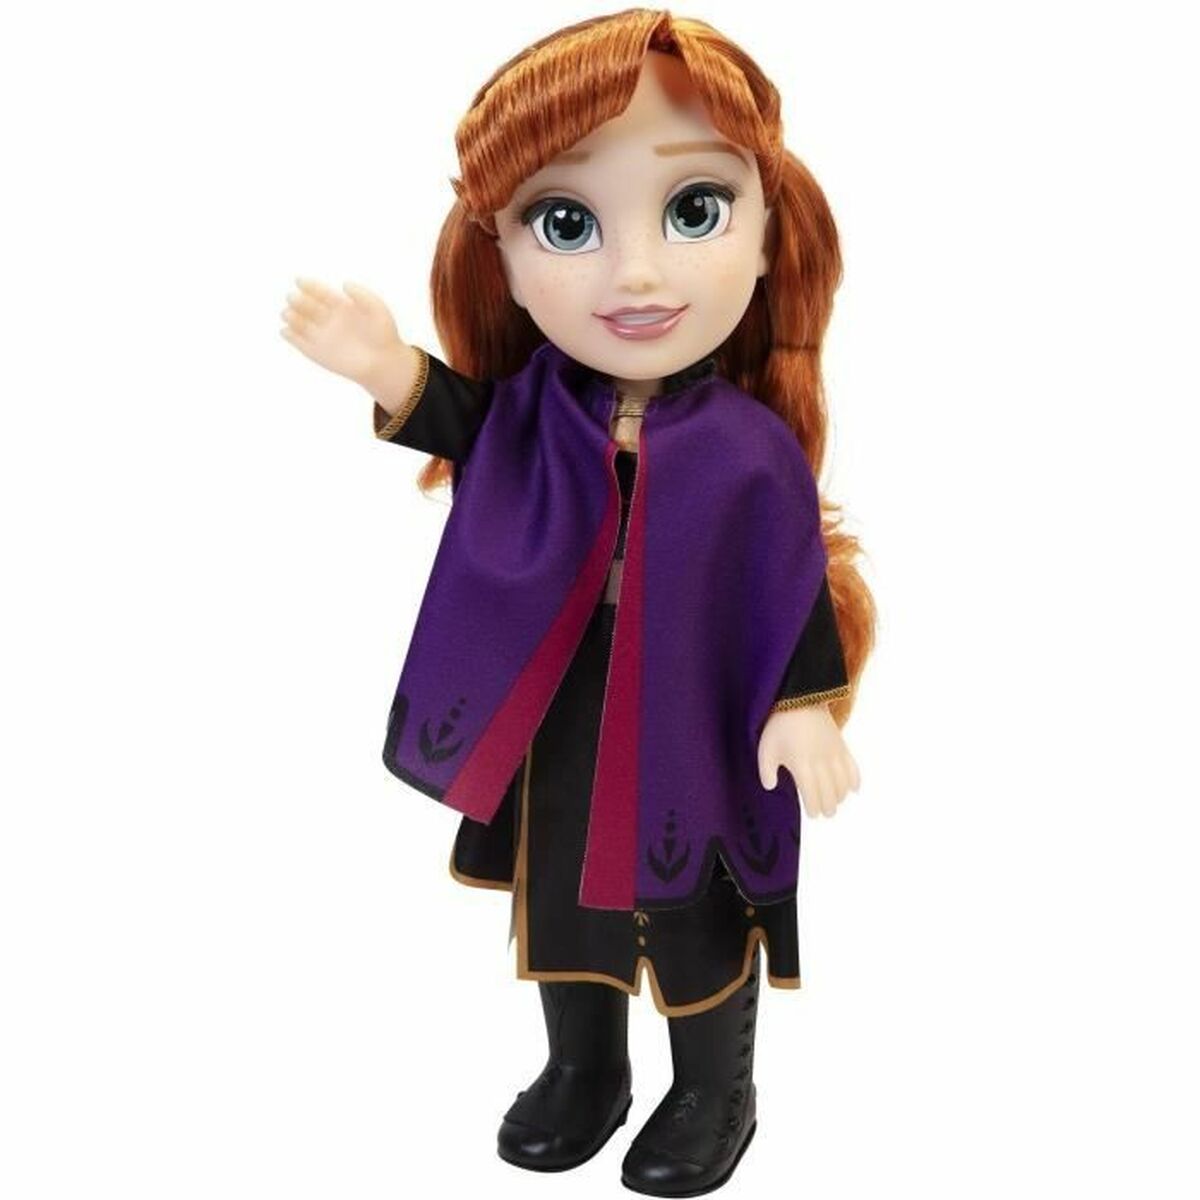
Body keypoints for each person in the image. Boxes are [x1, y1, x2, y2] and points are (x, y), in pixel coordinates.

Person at [281, 10, 875, 1195]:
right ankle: (584, 1068)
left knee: (696, 902)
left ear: (768, 235)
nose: (636, 273)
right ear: (500, 253)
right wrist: (383, 366)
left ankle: (714, 1088)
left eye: (695, 209)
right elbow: (464, 422)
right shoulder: (537, 411)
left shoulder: (750, 450)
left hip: (694, 717)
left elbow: (787, 577)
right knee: (561, 891)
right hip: (563, 700)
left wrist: (805, 701)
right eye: (567, 223)